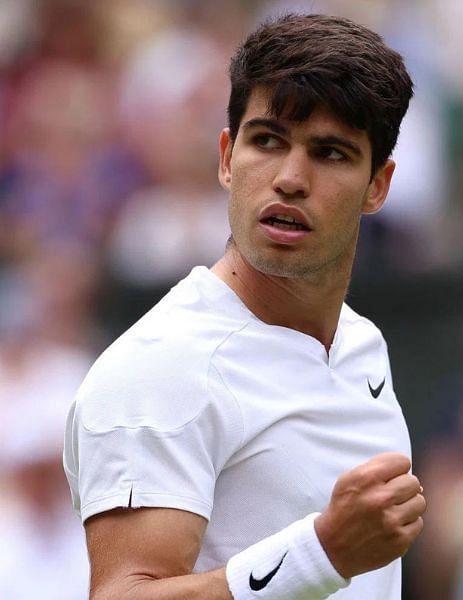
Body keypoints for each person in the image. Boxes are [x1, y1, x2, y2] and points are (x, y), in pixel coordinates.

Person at [64, 14, 424, 600]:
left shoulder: (361, 344)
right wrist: (323, 552)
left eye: (329, 153)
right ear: (228, 157)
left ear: (378, 186)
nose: (289, 178)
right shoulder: (159, 369)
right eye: (267, 141)